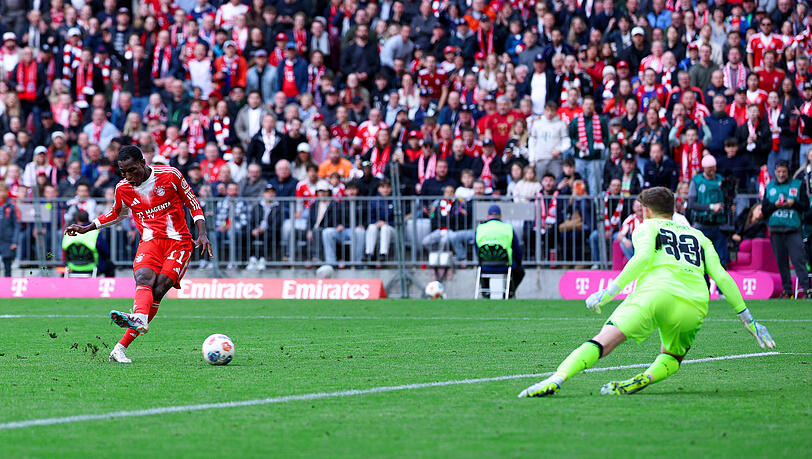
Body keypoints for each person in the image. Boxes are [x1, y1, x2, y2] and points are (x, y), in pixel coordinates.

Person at [519, 187, 775, 398]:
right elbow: (720, 276)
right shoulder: (698, 236)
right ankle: (641, 380)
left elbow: (640, 259)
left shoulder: (646, 227)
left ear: (648, 211)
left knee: (603, 341)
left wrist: (608, 293)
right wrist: (747, 318)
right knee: (673, 356)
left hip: (655, 293)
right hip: (694, 303)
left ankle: (556, 379)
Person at [64, 146, 212, 364]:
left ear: (143, 163)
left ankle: (122, 344)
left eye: (132, 170)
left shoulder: (170, 175)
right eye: (123, 172)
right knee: (143, 278)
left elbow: (192, 202)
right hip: (150, 242)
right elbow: (116, 214)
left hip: (178, 242)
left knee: (159, 288)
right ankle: (136, 323)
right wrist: (88, 227)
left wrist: (202, 233)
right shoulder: (123, 188)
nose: (128, 176)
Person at [762, 161, 812, 298]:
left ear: (788, 172)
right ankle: (787, 291)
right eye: (779, 172)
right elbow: (764, 210)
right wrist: (775, 206)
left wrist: (794, 203)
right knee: (781, 262)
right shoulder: (770, 186)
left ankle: (807, 290)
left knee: (798, 260)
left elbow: (806, 206)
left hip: (793, 229)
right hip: (776, 230)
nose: (781, 174)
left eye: (784, 172)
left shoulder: (797, 184)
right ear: (775, 172)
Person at [474, 205, 524, 298]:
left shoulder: (480, 228)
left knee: (479, 270)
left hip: (485, 266)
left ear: (487, 215)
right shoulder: (508, 228)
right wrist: (518, 263)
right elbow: (517, 250)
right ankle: (509, 293)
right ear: (500, 216)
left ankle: (486, 293)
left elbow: (477, 249)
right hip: (505, 265)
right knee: (520, 271)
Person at [688, 155, 730, 267]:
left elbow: (727, 198)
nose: (711, 170)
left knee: (721, 259)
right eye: (708, 168)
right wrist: (711, 207)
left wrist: (727, 206)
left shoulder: (721, 180)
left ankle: (721, 284)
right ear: (703, 168)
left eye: (713, 167)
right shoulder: (696, 181)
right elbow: (691, 204)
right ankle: (704, 284)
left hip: (719, 225)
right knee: (701, 259)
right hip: (702, 225)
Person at [0, 182, 19, 277]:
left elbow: (16, 225)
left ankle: (7, 288)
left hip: (8, 240)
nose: (1, 193)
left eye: (3, 191)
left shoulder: (12, 206)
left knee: (7, 266)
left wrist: (14, 241)